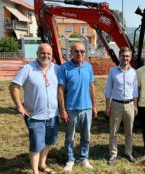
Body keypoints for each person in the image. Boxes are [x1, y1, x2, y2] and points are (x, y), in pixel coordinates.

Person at [9, 43, 59, 174]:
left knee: (49, 141)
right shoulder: (27, 69)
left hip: (53, 114)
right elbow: (14, 86)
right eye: (42, 53)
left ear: (52, 55)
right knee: (36, 144)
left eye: (48, 53)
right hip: (35, 115)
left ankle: (42, 164)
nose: (45, 55)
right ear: (37, 54)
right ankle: (35, 171)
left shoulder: (56, 69)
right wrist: (20, 106)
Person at [58, 42, 98, 171]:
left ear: (85, 53)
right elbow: (60, 90)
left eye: (82, 51)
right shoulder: (64, 68)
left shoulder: (88, 67)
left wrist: (94, 106)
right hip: (71, 109)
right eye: (76, 51)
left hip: (86, 108)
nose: (79, 54)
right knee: (70, 136)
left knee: (86, 136)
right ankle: (70, 159)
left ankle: (84, 158)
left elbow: (92, 87)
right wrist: (62, 110)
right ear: (71, 53)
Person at [105, 47, 138, 165]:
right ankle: (113, 154)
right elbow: (108, 89)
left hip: (129, 105)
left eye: (127, 56)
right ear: (119, 57)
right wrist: (107, 106)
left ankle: (128, 152)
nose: (125, 58)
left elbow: (135, 91)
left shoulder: (134, 72)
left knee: (129, 131)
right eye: (123, 56)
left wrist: (135, 105)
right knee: (113, 131)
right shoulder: (113, 71)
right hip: (116, 105)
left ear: (130, 57)